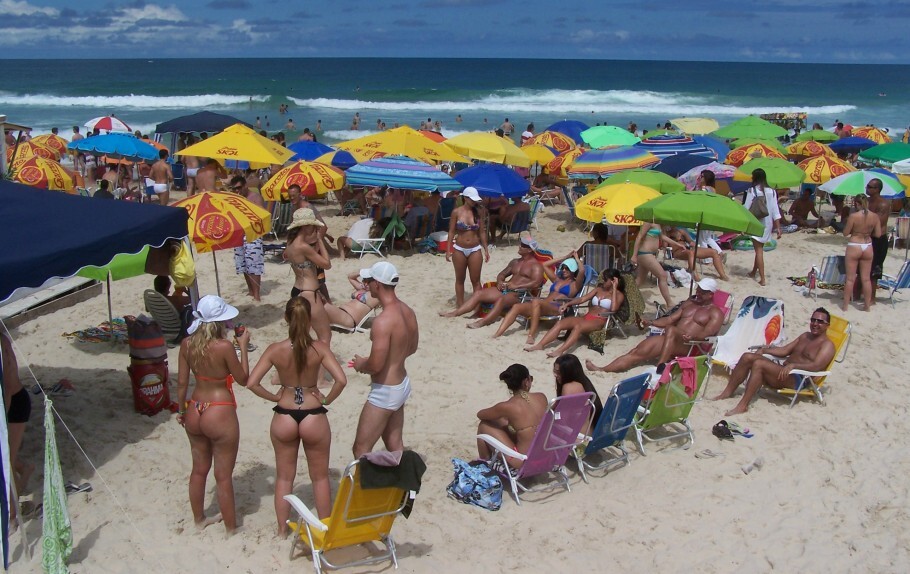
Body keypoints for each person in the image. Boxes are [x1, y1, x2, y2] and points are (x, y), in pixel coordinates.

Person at [244, 298, 347, 535]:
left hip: (285, 412)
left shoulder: (275, 349)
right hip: (313, 412)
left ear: (286, 319)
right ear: (309, 319)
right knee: (320, 477)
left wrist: (274, 397)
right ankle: (324, 527)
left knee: (284, 477)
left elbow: (252, 383)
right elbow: (341, 380)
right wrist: (326, 399)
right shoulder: (319, 348)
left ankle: (282, 529)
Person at [176, 295, 252, 533]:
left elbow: (181, 383)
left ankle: (199, 520)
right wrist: (243, 348)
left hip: (196, 406)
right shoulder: (224, 346)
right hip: (219, 409)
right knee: (223, 475)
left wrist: (181, 410)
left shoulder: (187, 344)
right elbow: (243, 379)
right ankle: (231, 528)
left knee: (198, 469)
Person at [711, 308, 836, 415]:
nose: (815, 323)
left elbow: (816, 366)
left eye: (820, 321)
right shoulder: (805, 336)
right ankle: (727, 392)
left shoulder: (827, 345)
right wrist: (765, 350)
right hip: (783, 371)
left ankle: (743, 405)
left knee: (759, 364)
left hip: (798, 378)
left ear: (827, 325)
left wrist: (794, 365)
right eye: (813, 320)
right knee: (747, 357)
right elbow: (785, 350)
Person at [351, 262, 419, 458]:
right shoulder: (407, 310)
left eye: (369, 280)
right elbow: (412, 347)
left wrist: (361, 364)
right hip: (401, 384)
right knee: (394, 444)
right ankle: (400, 487)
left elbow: (375, 365)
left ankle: (364, 488)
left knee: (361, 449)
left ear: (378, 285)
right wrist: (394, 358)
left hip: (385, 392)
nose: (366, 284)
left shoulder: (383, 321)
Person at [586, 278, 724, 374]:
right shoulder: (689, 303)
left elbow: (708, 333)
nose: (698, 293)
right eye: (698, 290)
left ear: (711, 294)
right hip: (671, 338)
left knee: (671, 330)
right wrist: (650, 323)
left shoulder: (715, 312)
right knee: (636, 352)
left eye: (702, 292)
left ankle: (660, 366)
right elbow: (670, 319)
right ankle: (602, 369)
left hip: (692, 345)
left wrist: (694, 336)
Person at [440, 236, 545, 329]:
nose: (520, 246)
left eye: (523, 246)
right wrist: (499, 282)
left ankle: (483, 322)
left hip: (520, 294)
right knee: (479, 293)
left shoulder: (536, 266)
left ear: (530, 250)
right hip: (506, 289)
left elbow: (536, 283)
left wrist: (517, 285)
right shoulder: (515, 262)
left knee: (501, 300)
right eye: (521, 244)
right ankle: (455, 313)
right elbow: (502, 274)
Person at [526, 268, 627, 358]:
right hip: (587, 317)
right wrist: (568, 304)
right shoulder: (598, 289)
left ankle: (559, 351)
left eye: (605, 279)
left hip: (599, 320)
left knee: (578, 327)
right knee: (561, 323)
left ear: (613, 280)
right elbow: (582, 298)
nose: (602, 281)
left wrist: (614, 289)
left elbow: (613, 309)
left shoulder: (619, 295)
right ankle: (540, 345)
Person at [493, 254, 585, 342]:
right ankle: (498, 333)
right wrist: (565, 257)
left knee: (536, 301)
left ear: (573, 270)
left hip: (556, 307)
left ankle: (531, 336)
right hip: (542, 305)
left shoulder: (574, 285)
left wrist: (577, 259)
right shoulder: (557, 280)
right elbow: (544, 265)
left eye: (567, 268)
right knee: (517, 306)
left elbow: (582, 271)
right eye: (563, 267)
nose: (564, 270)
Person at [475, 364, 548, 468]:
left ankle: (484, 463)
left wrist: (500, 413)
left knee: (484, 425)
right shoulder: (541, 397)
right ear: (526, 381)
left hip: (523, 462)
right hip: (546, 457)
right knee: (505, 422)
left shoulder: (507, 406)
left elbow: (480, 414)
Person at [285, 209, 333, 343]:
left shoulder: (290, 243)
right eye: (313, 225)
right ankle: (321, 364)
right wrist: (320, 240)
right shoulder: (303, 247)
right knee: (325, 336)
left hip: (297, 291)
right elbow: (326, 264)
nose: (315, 228)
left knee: (299, 336)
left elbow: (307, 261)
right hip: (310, 293)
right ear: (306, 226)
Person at [2, 332, 33, 519]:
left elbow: (8, 387)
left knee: (7, 462)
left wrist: (2, 419)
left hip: (14, 403)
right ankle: (24, 468)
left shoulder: (2, 346)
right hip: (10, 400)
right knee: (7, 456)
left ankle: (12, 515)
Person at [446, 187, 490, 307]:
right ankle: (460, 305)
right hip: (459, 248)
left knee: (476, 280)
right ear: (465, 198)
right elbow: (451, 231)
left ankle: (478, 306)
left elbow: (482, 232)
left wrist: (486, 249)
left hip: (475, 248)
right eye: (472, 199)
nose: (474, 202)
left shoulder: (479, 212)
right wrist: (448, 249)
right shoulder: (456, 212)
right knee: (460, 279)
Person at [843, 194, 882, 311]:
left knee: (850, 279)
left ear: (856, 203)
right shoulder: (875, 216)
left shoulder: (854, 216)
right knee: (866, 279)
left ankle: (845, 306)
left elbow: (845, 233)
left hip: (855, 244)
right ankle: (867, 306)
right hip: (867, 245)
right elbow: (878, 234)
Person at [743, 168, 782, 286]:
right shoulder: (772, 191)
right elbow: (776, 210)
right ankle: (753, 272)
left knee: (759, 251)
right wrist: (778, 228)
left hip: (757, 223)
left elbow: (746, 208)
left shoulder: (752, 190)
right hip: (768, 224)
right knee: (759, 249)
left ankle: (763, 279)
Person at [229, 176, 266, 301]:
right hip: (239, 233)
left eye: (239, 188)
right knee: (243, 264)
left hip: (253, 234)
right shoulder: (235, 199)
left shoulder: (255, 197)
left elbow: (262, 216)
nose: (237, 191)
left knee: (254, 265)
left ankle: (257, 294)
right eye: (234, 189)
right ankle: (251, 291)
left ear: (245, 186)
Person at [631, 221, 682, 307]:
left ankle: (626, 296)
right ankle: (669, 303)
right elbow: (639, 237)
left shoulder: (658, 223)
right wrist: (634, 255)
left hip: (649, 254)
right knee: (662, 276)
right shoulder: (648, 222)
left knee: (640, 280)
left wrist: (677, 244)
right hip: (645, 253)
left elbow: (662, 237)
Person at [553, 354, 603, 431]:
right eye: (555, 371)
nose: (556, 375)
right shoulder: (584, 383)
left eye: (559, 372)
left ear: (568, 373)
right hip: (590, 432)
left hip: (577, 439)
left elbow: (562, 420)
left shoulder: (569, 388)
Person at [866, 178, 891, 303]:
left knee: (875, 269)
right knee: (862, 267)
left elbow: (877, 223)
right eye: (867, 186)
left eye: (870, 186)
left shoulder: (883, 204)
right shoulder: (866, 202)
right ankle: (859, 293)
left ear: (877, 189)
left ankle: (872, 298)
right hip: (867, 237)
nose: (867, 188)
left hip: (878, 239)